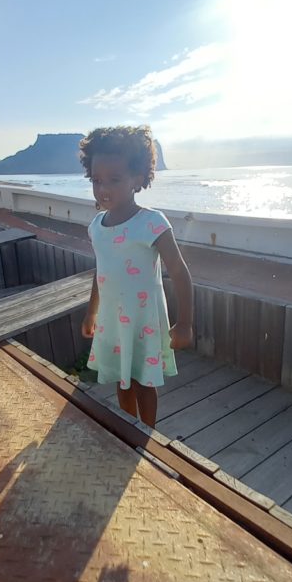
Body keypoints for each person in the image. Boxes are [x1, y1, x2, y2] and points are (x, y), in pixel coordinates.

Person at [79, 125, 194, 427]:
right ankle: (129, 428)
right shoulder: (96, 226)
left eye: (114, 180)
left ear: (138, 179)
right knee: (122, 377)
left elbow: (180, 272)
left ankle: (148, 435)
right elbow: (100, 271)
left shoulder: (152, 223)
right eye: (97, 180)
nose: (103, 189)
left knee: (144, 381)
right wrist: (91, 312)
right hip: (113, 321)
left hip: (142, 322)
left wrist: (184, 323)